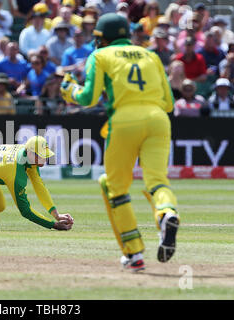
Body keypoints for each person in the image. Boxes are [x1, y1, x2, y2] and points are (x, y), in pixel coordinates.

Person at [60, 13, 179, 271]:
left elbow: (89, 98)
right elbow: (170, 103)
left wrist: (69, 90)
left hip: (124, 120)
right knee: (157, 181)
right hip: (159, 119)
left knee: (115, 188)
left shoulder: (100, 56)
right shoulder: (151, 55)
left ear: (103, 38)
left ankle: (134, 254)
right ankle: (166, 213)